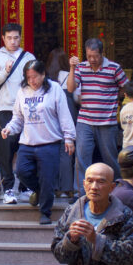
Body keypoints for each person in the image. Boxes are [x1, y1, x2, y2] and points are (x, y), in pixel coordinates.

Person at [3, 60, 77, 225]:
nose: (32, 81)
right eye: (28, 77)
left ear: (43, 74)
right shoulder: (22, 91)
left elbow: (64, 115)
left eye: (35, 77)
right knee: (21, 172)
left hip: (49, 143)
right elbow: (18, 117)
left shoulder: (55, 89)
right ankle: (38, 190)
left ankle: (45, 212)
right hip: (27, 143)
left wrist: (69, 137)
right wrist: (9, 128)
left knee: (47, 179)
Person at [68, 38, 128, 193]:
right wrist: (72, 68)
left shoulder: (114, 68)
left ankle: (116, 190)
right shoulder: (81, 67)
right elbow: (70, 88)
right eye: (89, 56)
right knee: (81, 159)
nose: (92, 60)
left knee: (111, 159)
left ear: (102, 53)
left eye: (95, 56)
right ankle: (81, 194)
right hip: (85, 121)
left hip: (107, 122)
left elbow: (125, 87)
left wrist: (115, 98)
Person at [0, 23, 34, 204]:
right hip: (4, 108)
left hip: (26, 108)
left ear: (21, 38)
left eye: (16, 37)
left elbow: (35, 81)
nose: (13, 41)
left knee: (27, 148)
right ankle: (7, 189)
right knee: (6, 150)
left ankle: (25, 186)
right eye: (9, 38)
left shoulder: (28, 57)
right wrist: (4, 72)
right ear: (3, 38)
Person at [47, 48, 79, 198]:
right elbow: (77, 97)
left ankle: (53, 186)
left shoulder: (46, 79)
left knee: (51, 151)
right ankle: (67, 188)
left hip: (51, 117)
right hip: (69, 114)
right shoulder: (69, 76)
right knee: (67, 151)